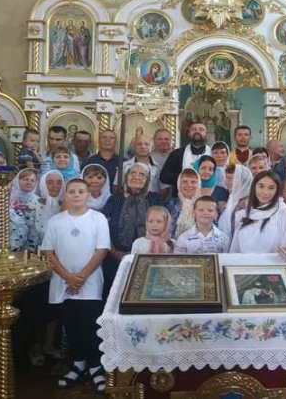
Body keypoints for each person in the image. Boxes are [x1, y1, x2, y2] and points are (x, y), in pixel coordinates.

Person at [41, 179, 109, 394]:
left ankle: (96, 366)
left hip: (90, 282)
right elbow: (48, 252)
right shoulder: (55, 222)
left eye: (81, 191)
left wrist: (80, 277)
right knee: (71, 325)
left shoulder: (98, 219)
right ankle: (78, 363)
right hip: (63, 282)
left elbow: (102, 250)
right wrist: (68, 277)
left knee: (91, 325)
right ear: (66, 195)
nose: (76, 195)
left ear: (88, 194)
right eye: (72, 192)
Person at [101, 163, 164, 297]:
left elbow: (164, 228)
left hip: (148, 258)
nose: (137, 177)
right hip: (116, 258)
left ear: (148, 179)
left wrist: (145, 253)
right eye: (133, 173)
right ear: (126, 177)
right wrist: (115, 253)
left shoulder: (156, 199)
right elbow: (103, 229)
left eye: (142, 174)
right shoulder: (114, 199)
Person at [229, 171, 286, 253]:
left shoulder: (283, 211)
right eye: (261, 186)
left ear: (277, 190)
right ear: (254, 187)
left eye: (271, 188)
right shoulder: (244, 211)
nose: (265, 192)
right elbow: (235, 247)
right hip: (244, 260)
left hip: (273, 261)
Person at [160, 121, 211, 190]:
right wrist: (184, 177)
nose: (197, 131)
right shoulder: (177, 153)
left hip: (208, 194)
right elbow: (163, 176)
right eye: (194, 129)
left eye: (201, 129)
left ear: (206, 134)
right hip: (180, 194)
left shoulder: (213, 154)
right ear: (189, 133)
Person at [218, 164, 253, 239]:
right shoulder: (232, 197)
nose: (226, 181)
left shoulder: (246, 204)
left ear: (242, 181)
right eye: (226, 177)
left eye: (230, 178)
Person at [166, 168, 201, 239]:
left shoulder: (204, 205)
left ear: (199, 184)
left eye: (193, 182)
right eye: (185, 182)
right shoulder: (169, 204)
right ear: (179, 184)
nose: (189, 185)